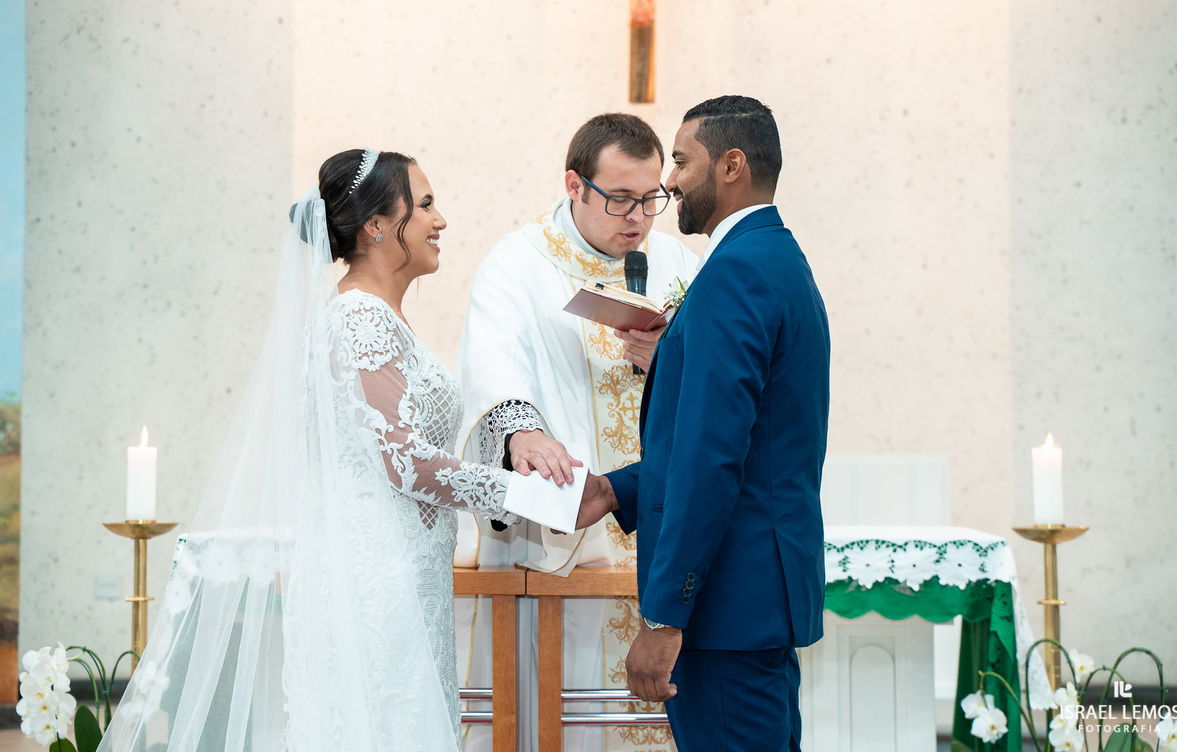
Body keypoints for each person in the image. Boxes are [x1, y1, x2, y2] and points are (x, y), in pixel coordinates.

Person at [98, 149, 535, 752]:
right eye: (426, 205)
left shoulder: (378, 318)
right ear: (376, 225)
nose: (441, 220)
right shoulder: (358, 319)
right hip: (375, 583)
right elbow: (406, 463)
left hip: (405, 577)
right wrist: (525, 493)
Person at [577, 96, 831, 752]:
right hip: (754, 602)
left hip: (726, 608)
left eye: (682, 161)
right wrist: (617, 490)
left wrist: (665, 616)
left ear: (731, 165)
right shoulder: (776, 258)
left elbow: (712, 456)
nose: (670, 181)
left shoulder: (735, 272)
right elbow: (751, 440)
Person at [454, 113, 698, 752]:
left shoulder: (679, 262)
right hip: (571, 533)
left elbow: (721, 388)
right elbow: (492, 363)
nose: (638, 218)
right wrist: (521, 433)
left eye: (651, 199)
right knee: (564, 711)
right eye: (619, 199)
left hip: (662, 533)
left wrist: (670, 359)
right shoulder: (518, 263)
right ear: (573, 185)